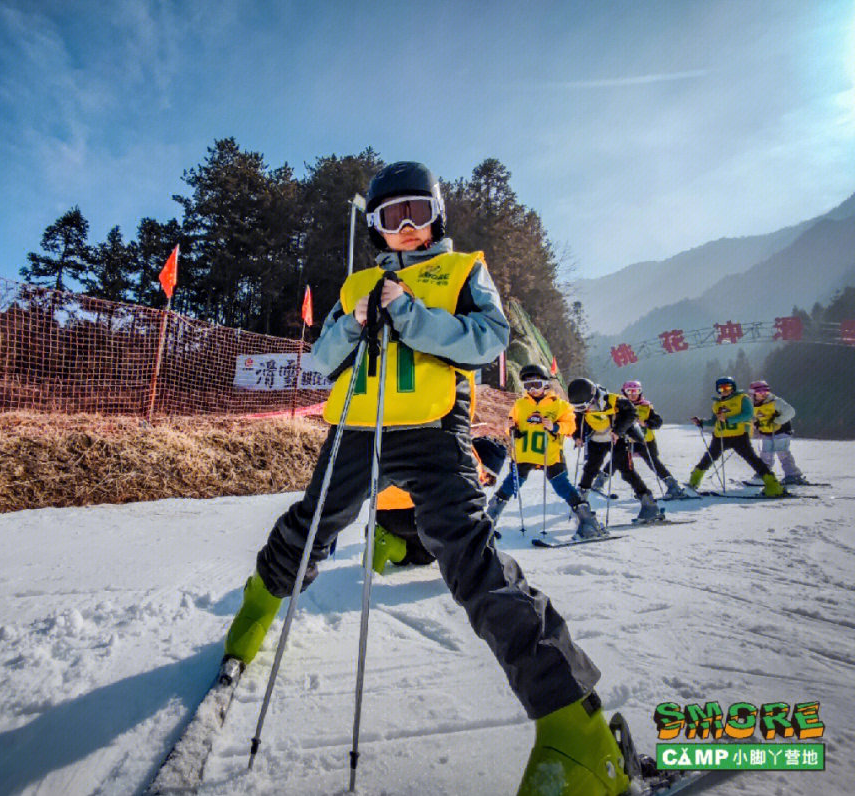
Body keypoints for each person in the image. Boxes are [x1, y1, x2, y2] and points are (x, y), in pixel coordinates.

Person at [223, 162, 629, 795]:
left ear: (436, 213)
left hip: (434, 428)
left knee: (469, 556)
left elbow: (489, 341)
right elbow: (321, 359)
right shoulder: (357, 280)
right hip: (358, 427)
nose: (405, 227)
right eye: (391, 217)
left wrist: (408, 313)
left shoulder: (464, 270)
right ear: (376, 225)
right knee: (310, 529)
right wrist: (354, 322)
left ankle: (576, 728)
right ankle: (253, 613)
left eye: (416, 212)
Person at [486, 364, 607, 538]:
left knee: (561, 485)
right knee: (511, 484)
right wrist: (511, 428)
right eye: (528, 386)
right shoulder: (520, 404)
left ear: (545, 384)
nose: (532, 390)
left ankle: (587, 521)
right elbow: (510, 426)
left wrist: (555, 426)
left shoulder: (559, 405)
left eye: (536, 384)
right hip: (524, 453)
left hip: (549, 454)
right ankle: (489, 519)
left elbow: (571, 427)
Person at [371, 436, 507, 573]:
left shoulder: (448, 444)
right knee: (430, 552)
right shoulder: (468, 466)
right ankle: (387, 541)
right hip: (407, 513)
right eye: (487, 475)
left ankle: (386, 538)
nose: (484, 482)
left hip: (380, 511)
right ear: (481, 461)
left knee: (422, 543)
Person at [566, 377, 661, 522]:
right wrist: (576, 436)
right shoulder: (581, 405)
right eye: (578, 408)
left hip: (616, 438)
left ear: (592, 396)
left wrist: (618, 431)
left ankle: (649, 505)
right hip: (596, 439)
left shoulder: (614, 400)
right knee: (590, 469)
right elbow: (577, 420)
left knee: (627, 471)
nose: (584, 409)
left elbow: (631, 414)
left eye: (585, 406)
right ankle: (580, 506)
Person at [687, 376, 784, 497]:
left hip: (739, 436)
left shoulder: (742, 398)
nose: (725, 390)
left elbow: (748, 415)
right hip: (720, 437)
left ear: (733, 387)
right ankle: (693, 483)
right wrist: (701, 422)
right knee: (707, 459)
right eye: (721, 389)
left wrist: (729, 419)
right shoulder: (717, 403)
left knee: (753, 460)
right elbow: (714, 421)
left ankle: (773, 485)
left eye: (727, 387)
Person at [619, 380, 692, 499]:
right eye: (629, 391)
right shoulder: (620, 407)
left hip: (645, 441)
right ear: (624, 393)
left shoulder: (646, 406)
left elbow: (658, 422)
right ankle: (600, 482)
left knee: (654, 464)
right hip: (626, 441)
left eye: (636, 391)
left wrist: (646, 423)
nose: (633, 394)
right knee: (619, 462)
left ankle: (672, 486)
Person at [748, 379, 806, 485]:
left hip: (781, 431)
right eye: (759, 392)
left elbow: (791, 412)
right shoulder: (752, 405)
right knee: (765, 454)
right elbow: (754, 417)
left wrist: (777, 419)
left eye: (766, 391)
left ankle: (793, 475)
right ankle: (764, 474)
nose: (763, 394)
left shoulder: (775, 402)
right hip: (766, 432)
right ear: (753, 394)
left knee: (782, 452)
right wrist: (755, 423)